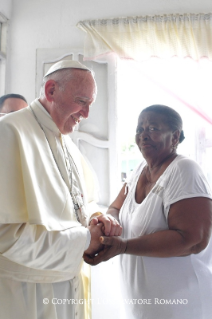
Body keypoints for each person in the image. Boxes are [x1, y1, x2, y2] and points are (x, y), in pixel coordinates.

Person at [0, 60, 121, 319]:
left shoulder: (65, 141)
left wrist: (98, 219)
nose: (86, 114)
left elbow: (80, 204)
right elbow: (5, 237)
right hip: (26, 295)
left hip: (68, 285)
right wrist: (86, 239)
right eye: (81, 101)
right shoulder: (9, 132)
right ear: (51, 90)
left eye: (91, 104)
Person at [84, 105, 212, 319]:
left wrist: (123, 246)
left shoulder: (184, 170)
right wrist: (108, 221)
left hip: (182, 305)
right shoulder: (139, 171)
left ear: (175, 136)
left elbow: (193, 240)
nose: (143, 135)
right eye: (139, 129)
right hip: (145, 304)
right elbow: (115, 207)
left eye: (152, 128)